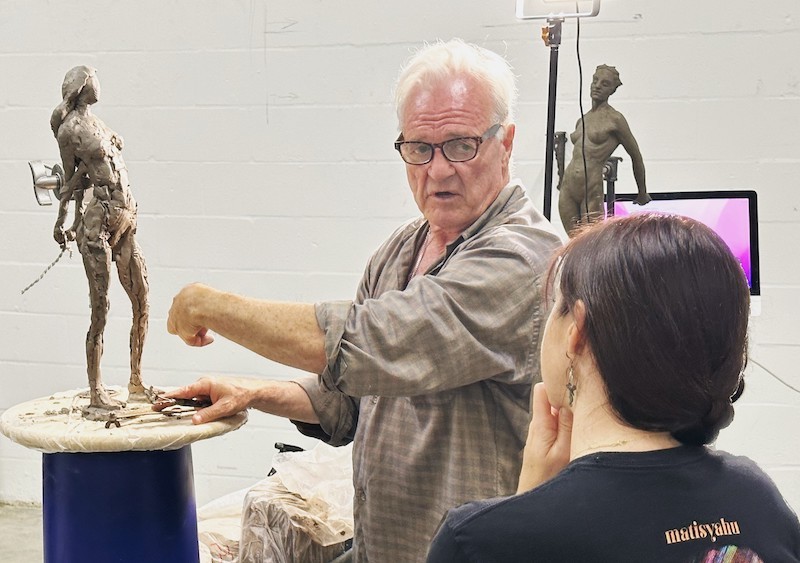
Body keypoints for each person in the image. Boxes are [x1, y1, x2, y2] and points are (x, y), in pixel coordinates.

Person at [164, 39, 562, 561]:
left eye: (460, 146)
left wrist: (209, 305)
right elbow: (353, 398)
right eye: (419, 148)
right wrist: (252, 392)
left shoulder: (524, 259)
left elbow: (376, 342)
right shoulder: (401, 250)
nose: (438, 170)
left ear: (505, 143)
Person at [427, 214, 800, 562]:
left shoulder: (477, 540)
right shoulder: (756, 498)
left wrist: (527, 508)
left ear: (577, 331)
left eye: (556, 305)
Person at [50, 66, 150, 414]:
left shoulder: (99, 123)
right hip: (99, 223)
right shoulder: (68, 131)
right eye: (93, 79)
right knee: (101, 308)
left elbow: (87, 172)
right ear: (81, 87)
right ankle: (96, 392)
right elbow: (70, 182)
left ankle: (136, 381)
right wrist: (63, 221)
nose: (98, 83)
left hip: (126, 216)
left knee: (142, 299)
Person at [557, 64, 651, 235]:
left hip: (591, 188)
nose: (597, 86)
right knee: (572, 243)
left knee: (591, 242)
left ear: (612, 90)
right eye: (595, 81)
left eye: (605, 84)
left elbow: (636, 156)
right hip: (568, 187)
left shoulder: (615, 120)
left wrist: (642, 191)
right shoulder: (582, 119)